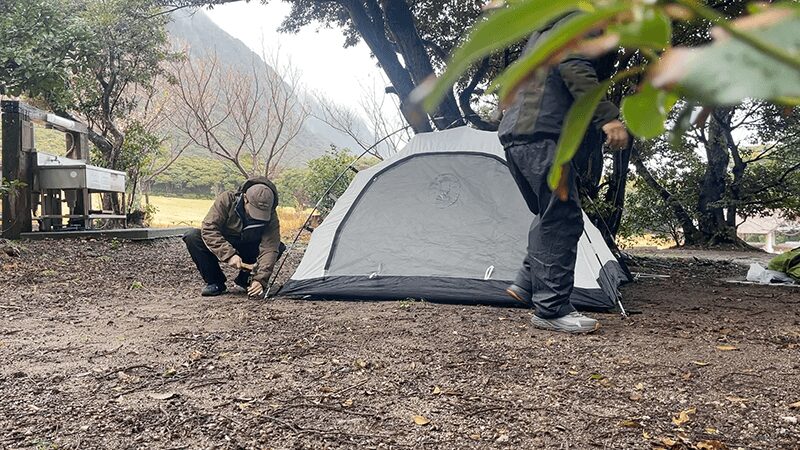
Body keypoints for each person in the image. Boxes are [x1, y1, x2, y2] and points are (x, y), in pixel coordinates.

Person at [497, 12, 629, 333]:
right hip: (544, 133)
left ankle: (527, 283)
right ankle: (551, 309)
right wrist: (608, 118)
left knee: (550, 212)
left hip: (517, 133)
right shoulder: (584, 19)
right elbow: (574, 66)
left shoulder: (545, 30)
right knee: (563, 217)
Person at [183, 177, 285, 297]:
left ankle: (246, 281)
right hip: (225, 241)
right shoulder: (227, 199)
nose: (257, 216)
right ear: (245, 198)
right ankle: (215, 282)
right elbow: (209, 228)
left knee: (278, 246)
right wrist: (229, 254)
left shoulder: (271, 215)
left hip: (250, 247)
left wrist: (260, 279)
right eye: (254, 210)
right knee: (192, 236)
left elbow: (270, 247)